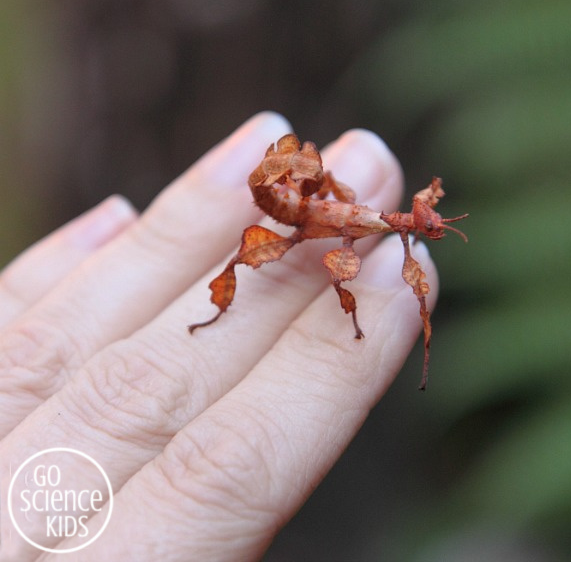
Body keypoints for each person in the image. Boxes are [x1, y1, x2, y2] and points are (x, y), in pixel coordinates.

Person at [0, 112, 437, 561]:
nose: (428, 225)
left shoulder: (381, 222)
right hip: (295, 213)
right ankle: (216, 313)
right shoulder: (357, 214)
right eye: (427, 223)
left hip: (303, 206)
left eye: (428, 224)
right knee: (272, 264)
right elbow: (342, 259)